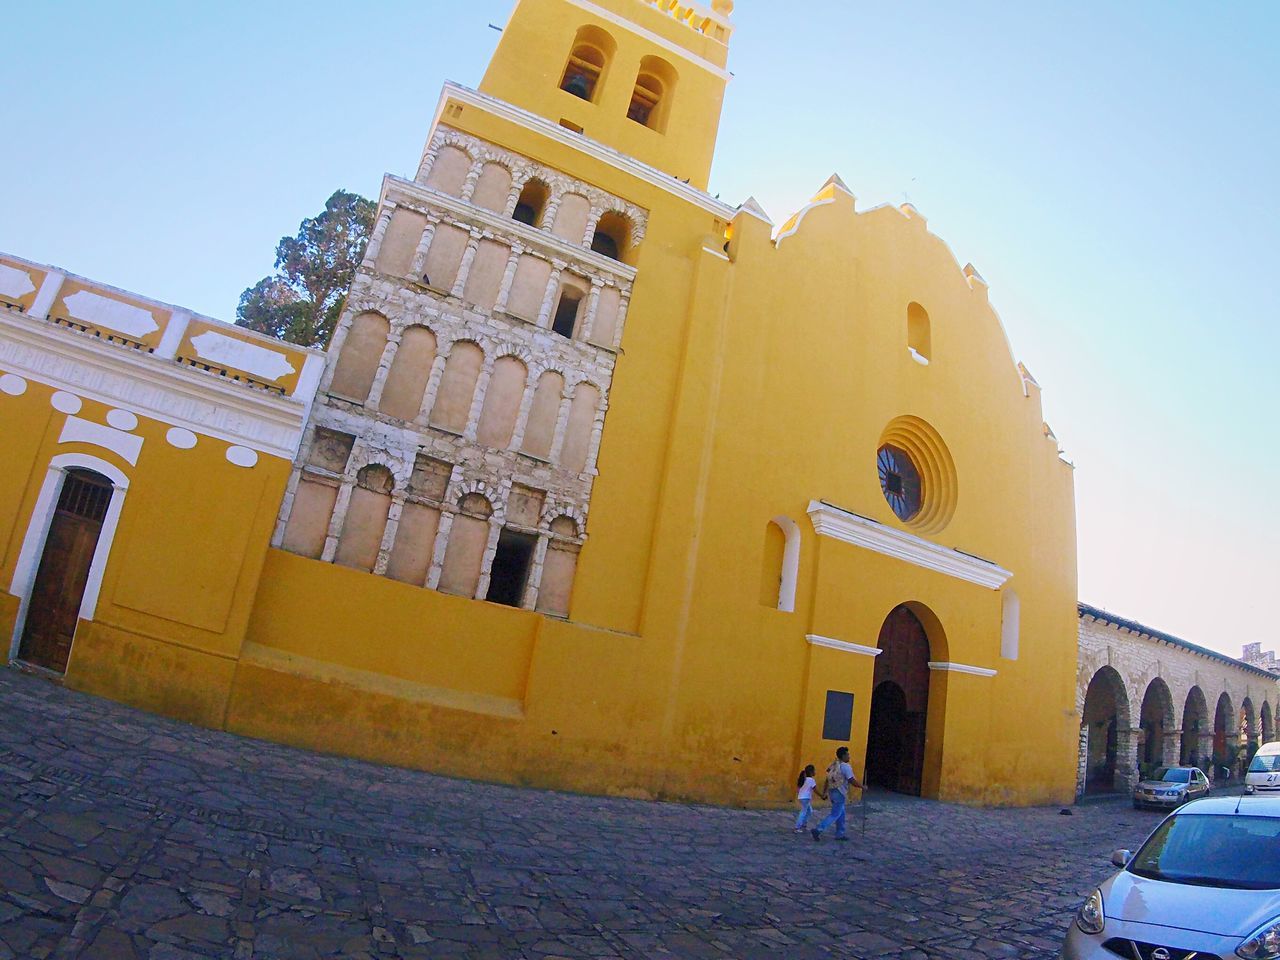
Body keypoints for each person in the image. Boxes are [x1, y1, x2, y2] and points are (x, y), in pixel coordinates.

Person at [811, 746, 862, 842]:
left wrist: (824, 792)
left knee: (841, 813)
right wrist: (862, 787)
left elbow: (827, 778)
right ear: (843, 756)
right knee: (835, 814)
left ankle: (840, 833)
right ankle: (818, 829)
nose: (849, 756)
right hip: (840, 791)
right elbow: (851, 780)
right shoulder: (846, 767)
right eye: (848, 754)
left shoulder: (834, 765)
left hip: (832, 790)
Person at [794, 764, 818, 833]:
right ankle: (797, 827)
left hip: (802, 797)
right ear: (811, 772)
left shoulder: (803, 779)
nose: (815, 772)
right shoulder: (811, 780)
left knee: (809, 811)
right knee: (803, 812)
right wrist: (822, 796)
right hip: (806, 798)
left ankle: (803, 824)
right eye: (814, 771)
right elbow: (815, 790)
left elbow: (798, 788)